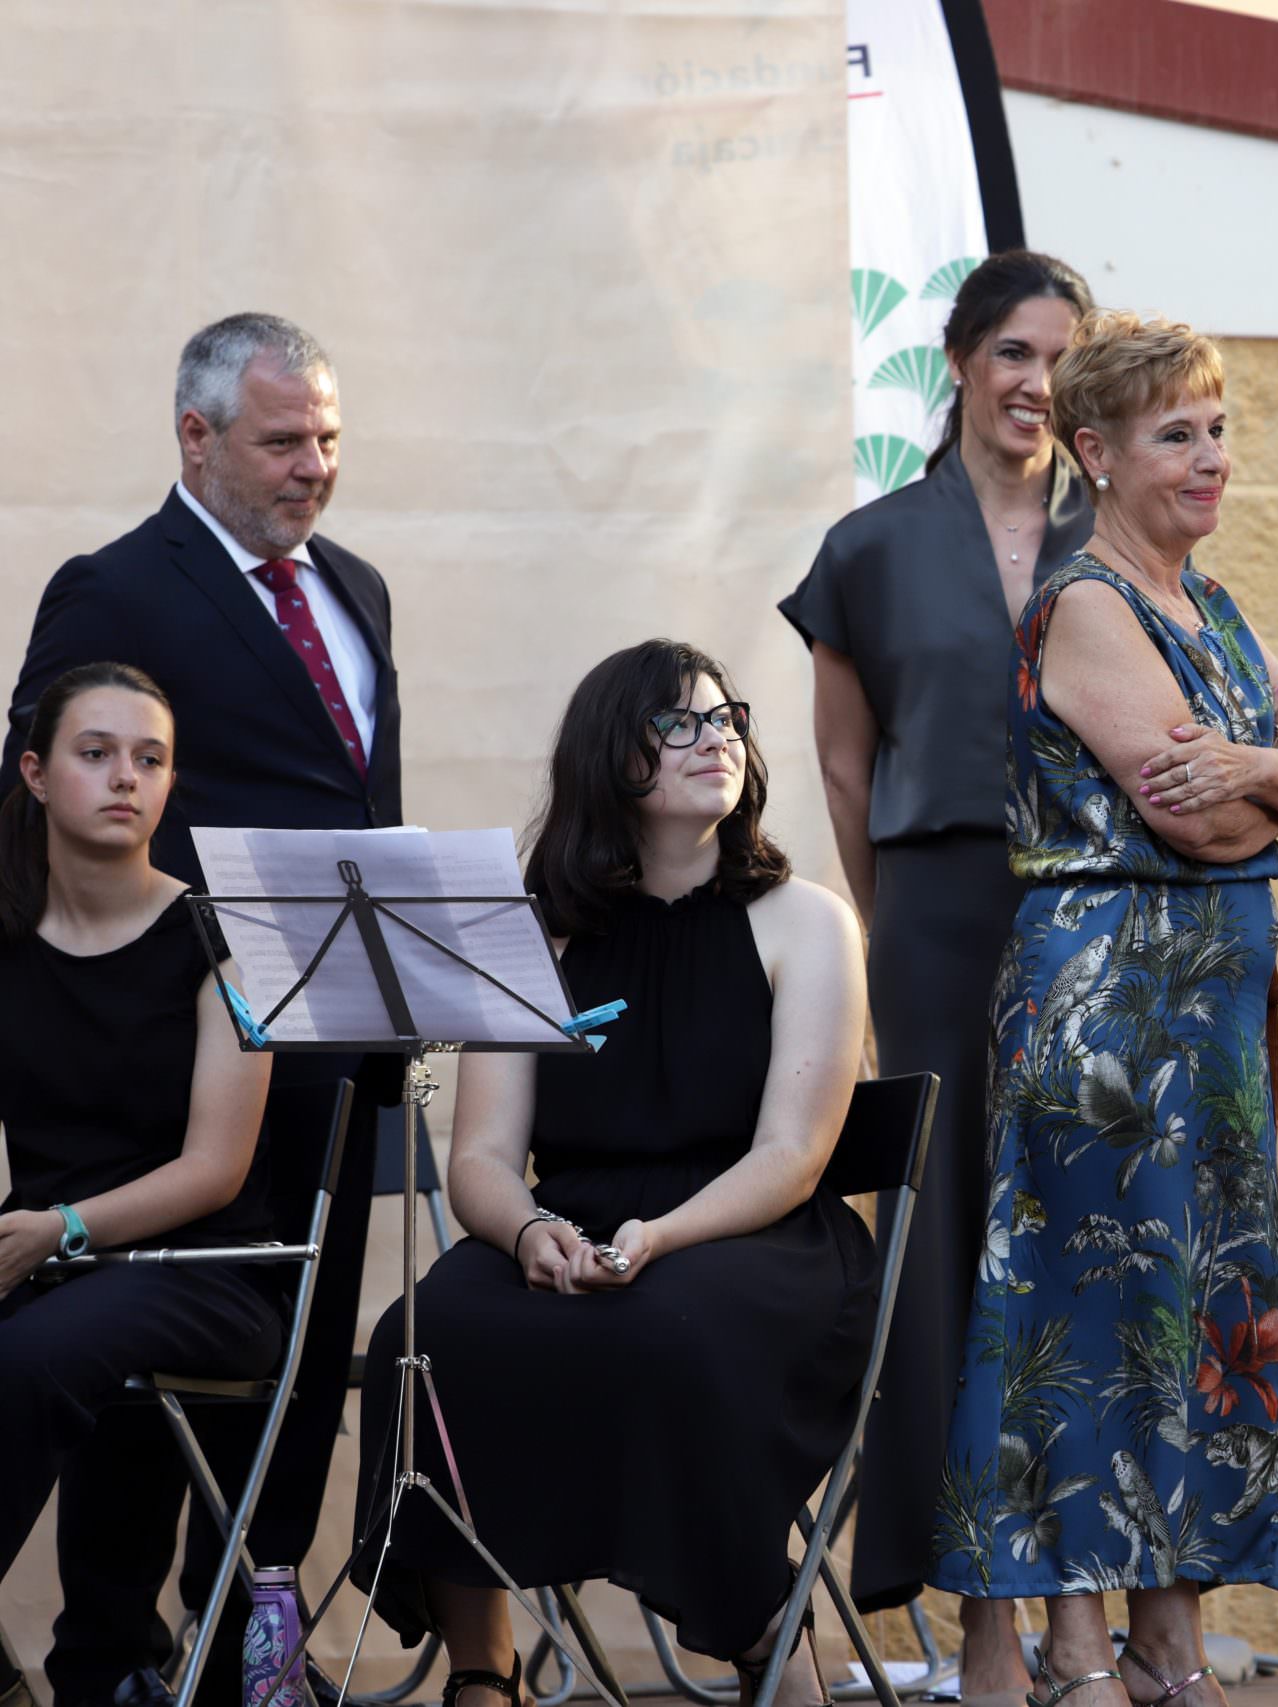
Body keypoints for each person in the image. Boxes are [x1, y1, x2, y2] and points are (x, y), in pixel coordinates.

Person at [930, 312, 1278, 1707]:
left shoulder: (1211, 606)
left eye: (1217, 429)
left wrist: (1254, 768)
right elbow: (1207, 825)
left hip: (1209, 1022)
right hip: (1106, 1009)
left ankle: (1168, 1633)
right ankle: (1071, 1641)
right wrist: (1267, 780)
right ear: (1096, 454)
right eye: (1177, 434)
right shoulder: (1090, 603)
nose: (1210, 456)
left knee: (1197, 1309)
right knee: (1091, 1312)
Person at [346, 642, 872, 1707]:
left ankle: (763, 1632)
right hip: (571, 1220)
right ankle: (483, 1671)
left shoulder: (806, 919)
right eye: (677, 722)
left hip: (756, 1232)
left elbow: (793, 1155)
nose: (714, 738)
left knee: (669, 1330)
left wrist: (662, 1236)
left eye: (725, 717)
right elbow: (482, 1159)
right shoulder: (532, 934)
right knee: (423, 1335)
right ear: (608, 756)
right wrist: (528, 1231)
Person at [3, 313, 399, 1707]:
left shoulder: (355, 587)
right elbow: (36, 791)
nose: (315, 467)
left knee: (297, 1371)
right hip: (174, 1044)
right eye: (283, 441)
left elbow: (360, 801)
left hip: (339, 1050)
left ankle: (242, 1647)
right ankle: (110, 1657)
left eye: (328, 439)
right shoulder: (113, 586)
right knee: (124, 1352)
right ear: (196, 435)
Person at [778, 250, 1095, 1699]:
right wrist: (885, 923)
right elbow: (844, 770)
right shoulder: (870, 546)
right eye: (1015, 351)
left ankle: (1087, 1609)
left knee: (1089, 1248)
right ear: (961, 357)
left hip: (1098, 917)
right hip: (935, 914)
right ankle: (980, 1623)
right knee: (946, 1255)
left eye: (1063, 360)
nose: (1037, 384)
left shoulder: (1119, 522)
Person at [0, 665, 278, 1614]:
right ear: (36, 773)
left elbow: (215, 1169)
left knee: (28, 1358)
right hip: (51, 1262)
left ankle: (107, 1653)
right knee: (48, 1334)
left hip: (206, 1272)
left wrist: (59, 1227)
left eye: (150, 759)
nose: (126, 776)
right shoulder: (9, 936)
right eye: (96, 752)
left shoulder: (224, 942)